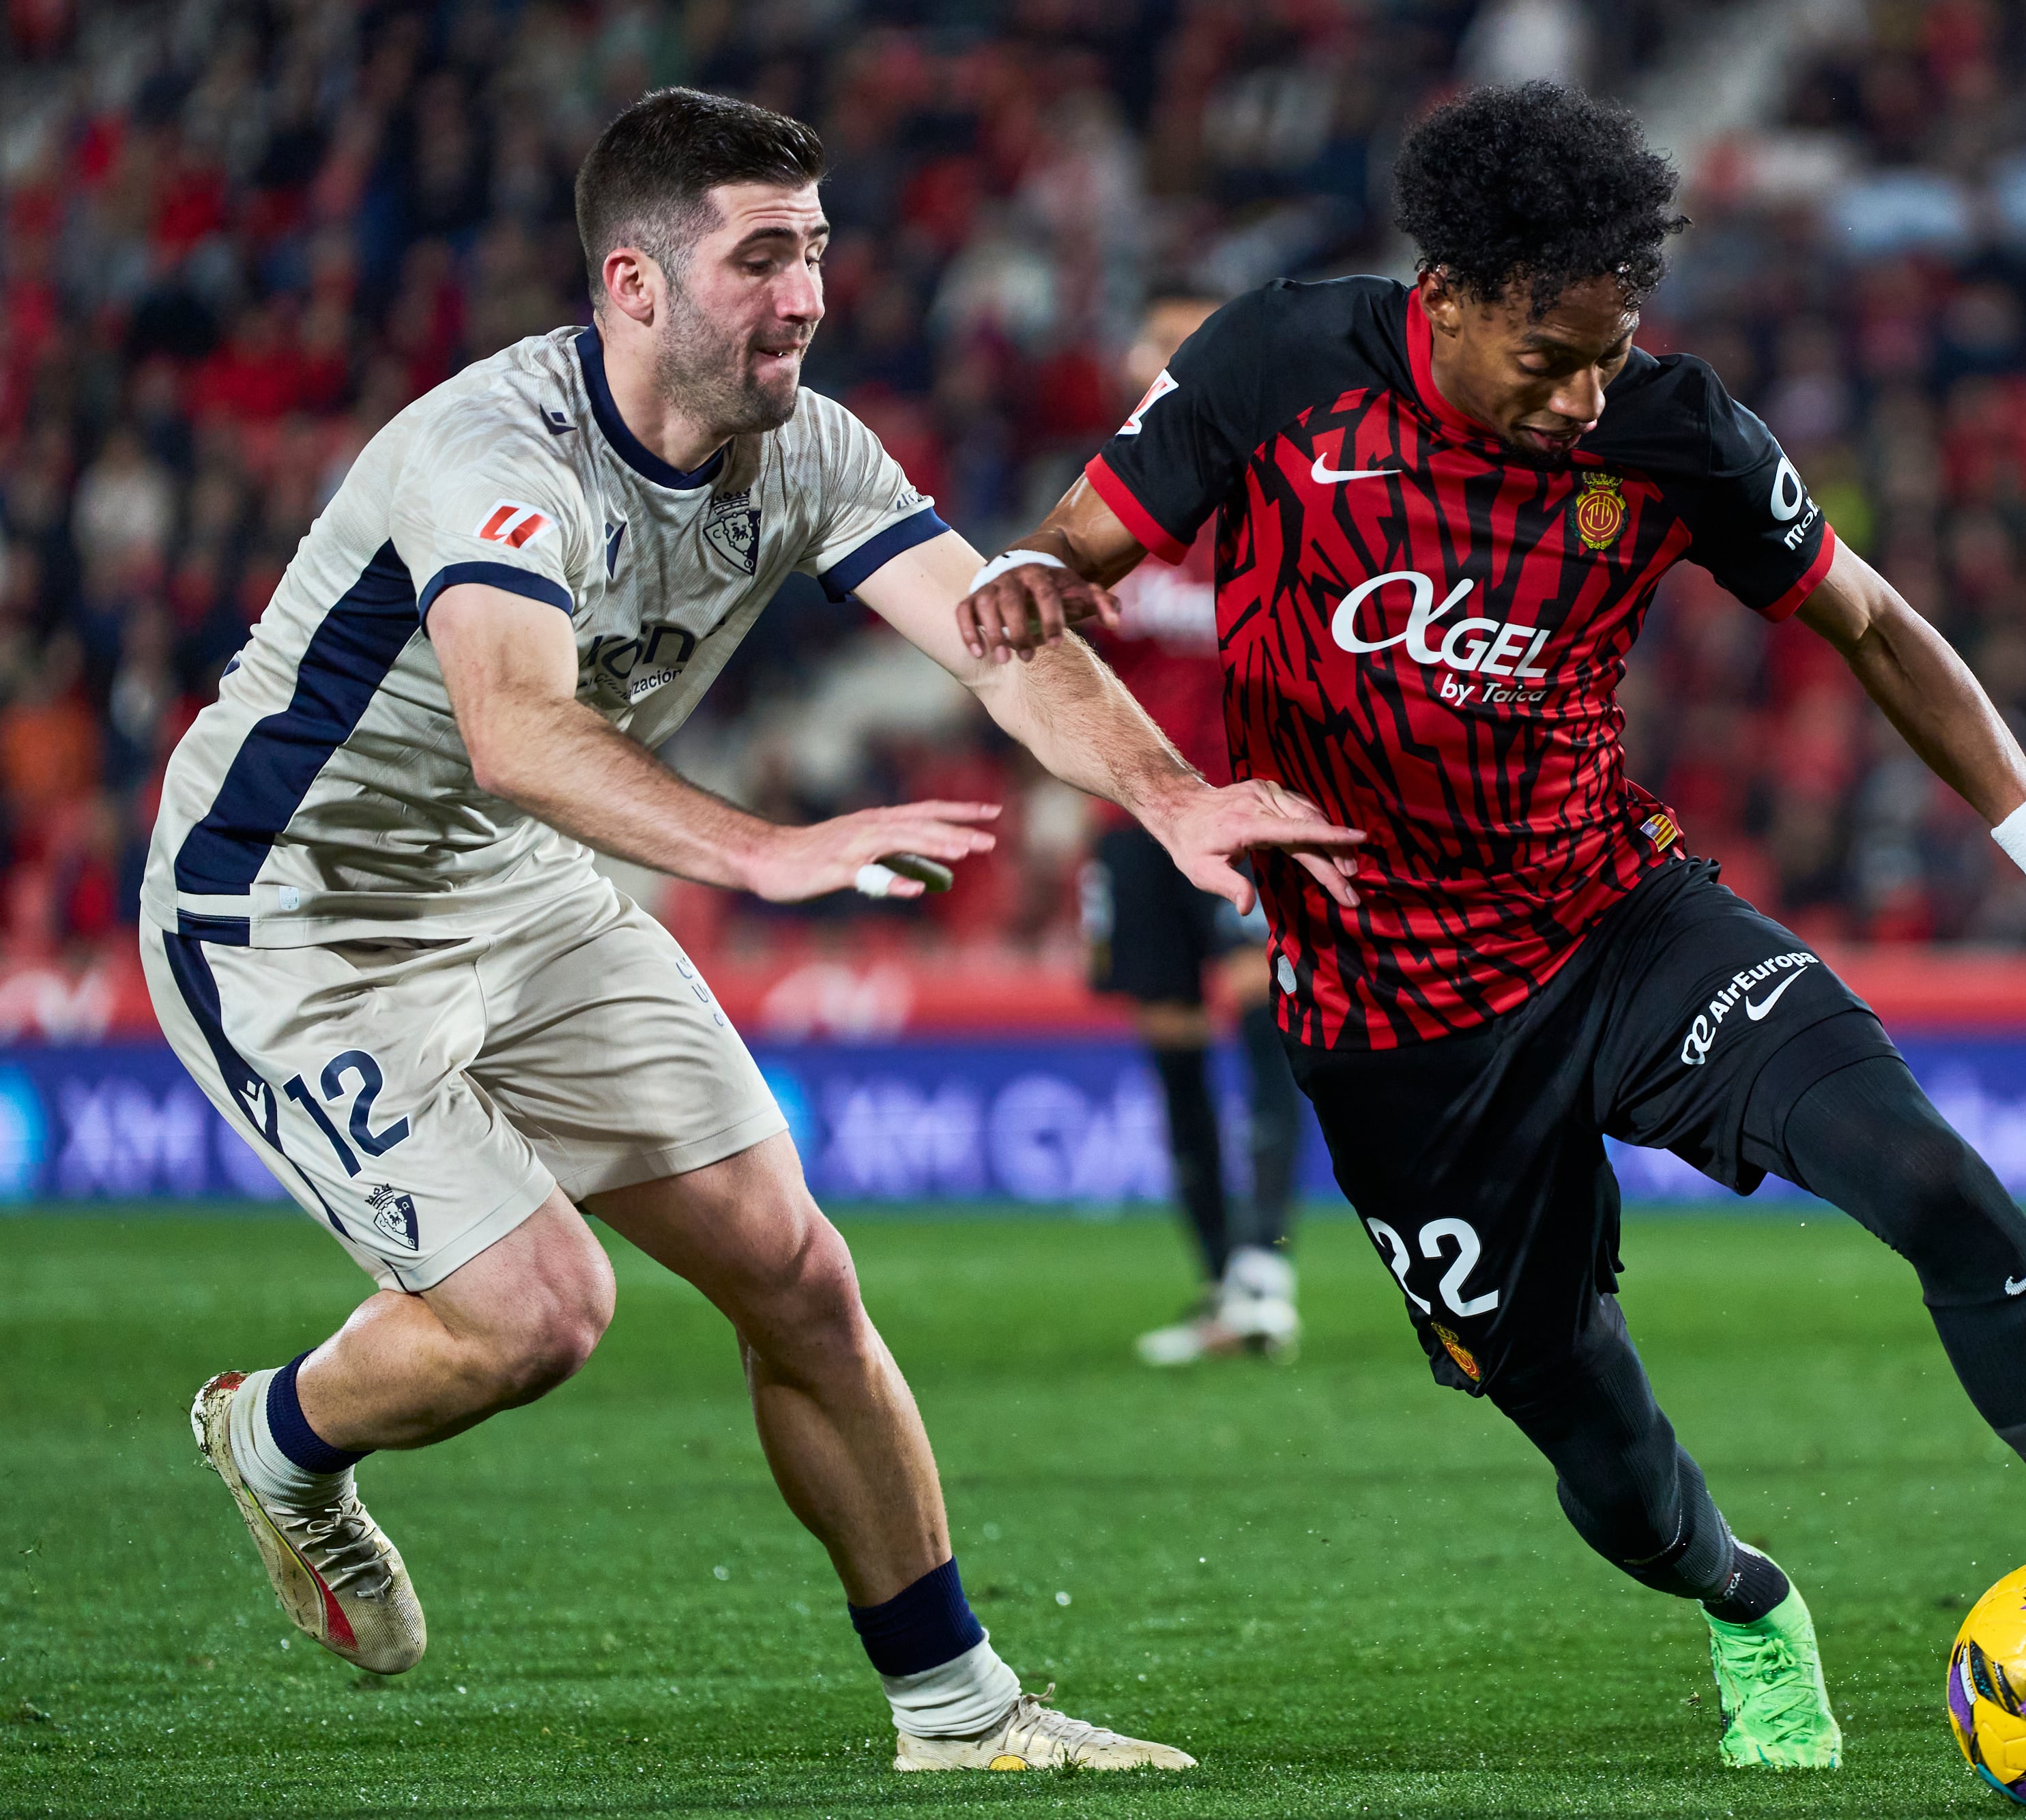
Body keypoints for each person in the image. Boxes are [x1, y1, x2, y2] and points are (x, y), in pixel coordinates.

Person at [957, 82, 2026, 1774]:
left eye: (1612, 349)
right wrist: (1044, 572)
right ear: (1450, 297)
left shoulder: (1674, 433)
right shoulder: (1278, 364)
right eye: (1550, 353)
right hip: (1393, 1016)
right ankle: (1743, 1597)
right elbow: (1084, 539)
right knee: (1590, 1440)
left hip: (1618, 923)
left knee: (1934, 1185)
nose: (1583, 393)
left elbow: (1878, 627)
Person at [146, 87, 1360, 1775]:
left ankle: (959, 1716)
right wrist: (765, 853)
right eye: (760, 256)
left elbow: (994, 637)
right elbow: (519, 730)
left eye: (816, 251)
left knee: (796, 1273)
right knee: (538, 1317)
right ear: (632, 287)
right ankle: (276, 1438)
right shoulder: (491, 453)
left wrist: (1172, 798)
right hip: (293, 918)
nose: (802, 293)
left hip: (515, 887)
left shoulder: (809, 446)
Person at [1082, 283, 1309, 1366]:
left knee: (1267, 1018)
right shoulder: (1109, 515)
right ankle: (1225, 1283)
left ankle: (1267, 1270)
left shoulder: (1279, 499)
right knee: (1172, 1045)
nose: (1169, 363)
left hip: (1248, 814)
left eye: (1190, 345)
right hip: (1133, 819)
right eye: (1158, 342)